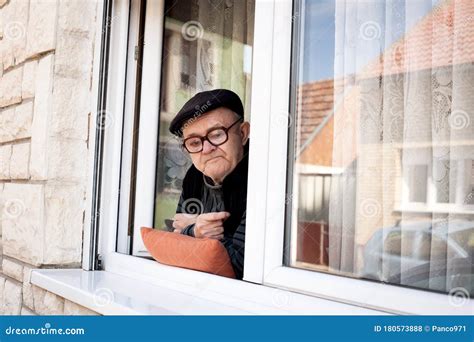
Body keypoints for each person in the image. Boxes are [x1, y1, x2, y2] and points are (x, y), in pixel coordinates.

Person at [168, 89, 250, 279]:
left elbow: (240, 264)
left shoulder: (260, 178)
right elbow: (175, 244)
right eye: (194, 143)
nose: (206, 149)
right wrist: (195, 229)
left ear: (243, 133)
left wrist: (195, 232)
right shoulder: (194, 177)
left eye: (216, 134)